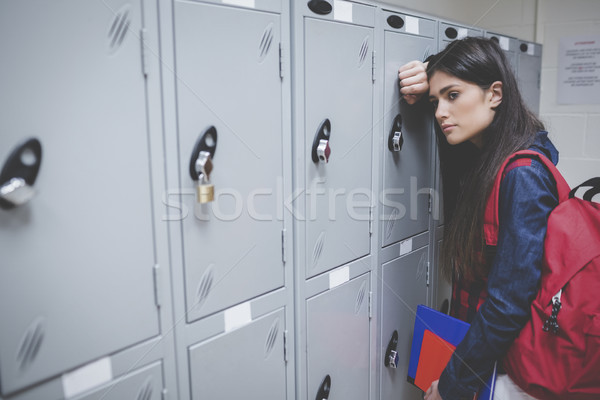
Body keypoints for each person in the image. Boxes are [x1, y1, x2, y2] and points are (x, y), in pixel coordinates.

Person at [398, 37, 559, 400]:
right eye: (435, 101)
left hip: (509, 377)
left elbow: (507, 303)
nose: (440, 111)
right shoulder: (490, 158)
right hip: (486, 365)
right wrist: (431, 78)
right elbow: (454, 157)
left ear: (495, 94)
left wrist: (454, 386)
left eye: (452, 96)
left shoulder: (523, 175)